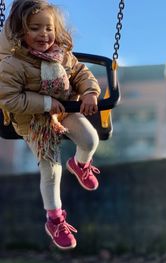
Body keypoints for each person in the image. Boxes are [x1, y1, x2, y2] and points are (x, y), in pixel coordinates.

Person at [0, 0, 102, 250]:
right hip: (33, 119)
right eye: (35, 28)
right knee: (51, 169)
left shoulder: (62, 56)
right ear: (20, 31)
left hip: (63, 109)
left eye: (48, 28)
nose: (43, 34)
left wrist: (90, 92)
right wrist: (45, 103)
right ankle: (54, 219)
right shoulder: (13, 64)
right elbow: (8, 98)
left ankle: (80, 164)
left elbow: (80, 73)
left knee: (91, 140)